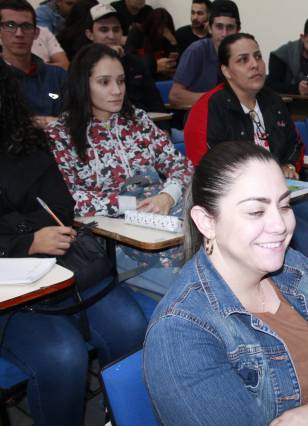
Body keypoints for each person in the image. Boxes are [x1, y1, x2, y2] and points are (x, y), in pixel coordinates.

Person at [144, 140, 308, 425]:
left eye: (284, 205)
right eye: (256, 211)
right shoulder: (181, 332)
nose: (280, 225)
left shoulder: (295, 267)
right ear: (206, 222)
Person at [0, 58, 147, 426]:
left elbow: (62, 206)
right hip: (11, 294)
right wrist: (26, 239)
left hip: (62, 269)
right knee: (63, 356)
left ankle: (121, 417)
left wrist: (19, 228)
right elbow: (40, 218)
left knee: (130, 325)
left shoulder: (24, 140)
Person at [46, 43, 193, 294]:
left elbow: (182, 166)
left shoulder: (137, 121)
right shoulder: (61, 134)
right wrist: (129, 205)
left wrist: (168, 195)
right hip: (113, 239)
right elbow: (68, 198)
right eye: (104, 82)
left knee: (218, 269)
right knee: (192, 287)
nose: (116, 91)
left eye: (121, 81)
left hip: (163, 221)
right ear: (84, 84)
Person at [203, 33, 308, 255]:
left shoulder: (273, 101)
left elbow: (294, 144)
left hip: (287, 197)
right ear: (226, 71)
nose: (255, 65)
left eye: (257, 56)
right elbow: (220, 162)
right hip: (250, 206)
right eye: (243, 60)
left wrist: (290, 165)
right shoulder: (218, 106)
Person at [85, 3, 165, 114]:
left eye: (116, 29)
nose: (111, 36)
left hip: (144, 125)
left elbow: (156, 104)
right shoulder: (82, 65)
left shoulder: (136, 63)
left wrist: (164, 130)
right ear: (90, 34)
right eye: (104, 30)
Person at [1, 0, 66, 125]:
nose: (19, 34)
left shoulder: (58, 76)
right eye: (10, 25)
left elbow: (75, 119)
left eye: (26, 26)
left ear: (36, 33)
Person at [168, 0, 239, 108]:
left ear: (238, 30)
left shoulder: (243, 53)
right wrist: (216, 99)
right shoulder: (196, 51)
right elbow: (175, 96)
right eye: (219, 27)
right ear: (210, 28)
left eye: (230, 27)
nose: (224, 34)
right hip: (200, 115)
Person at [266, 15, 308, 97]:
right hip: (283, 107)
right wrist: (296, 89)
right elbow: (270, 86)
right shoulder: (281, 56)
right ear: (303, 37)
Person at [124, 7, 178, 80]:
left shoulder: (167, 37)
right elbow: (129, 59)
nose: (160, 32)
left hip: (162, 78)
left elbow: (174, 62)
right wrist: (154, 66)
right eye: (158, 28)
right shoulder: (137, 32)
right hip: (141, 78)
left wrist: (173, 41)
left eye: (164, 29)